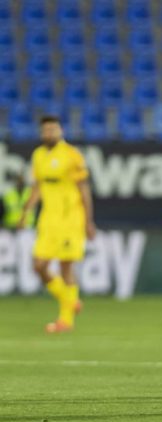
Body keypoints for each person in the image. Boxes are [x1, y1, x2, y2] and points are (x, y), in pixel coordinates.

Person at [19, 116, 97, 333]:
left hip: (70, 218)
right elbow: (38, 187)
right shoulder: (38, 155)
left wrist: (89, 221)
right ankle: (70, 300)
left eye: (53, 129)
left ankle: (66, 320)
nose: (50, 133)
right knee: (38, 266)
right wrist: (25, 212)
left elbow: (84, 189)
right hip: (48, 219)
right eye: (46, 130)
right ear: (41, 132)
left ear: (61, 130)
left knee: (65, 267)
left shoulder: (72, 155)